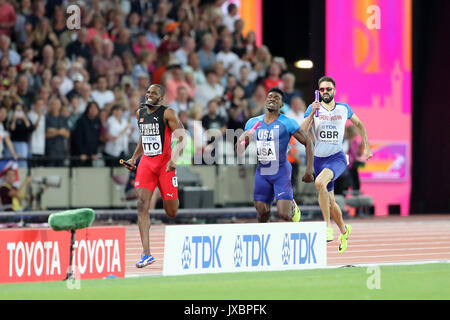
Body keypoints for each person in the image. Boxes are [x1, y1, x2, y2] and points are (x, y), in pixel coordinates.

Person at [301, 76, 373, 253]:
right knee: (331, 202)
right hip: (319, 159)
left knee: (319, 183)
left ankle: (327, 227)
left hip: (337, 158)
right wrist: (311, 113)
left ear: (334, 91)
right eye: (322, 89)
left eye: (329, 89)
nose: (326, 92)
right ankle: (344, 230)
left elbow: (360, 124)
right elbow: (301, 131)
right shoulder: (314, 108)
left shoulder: (343, 108)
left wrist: (367, 147)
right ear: (319, 92)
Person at [124, 84, 186, 268]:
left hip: (165, 165)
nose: (149, 95)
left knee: (171, 212)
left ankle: (172, 197)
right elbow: (144, 137)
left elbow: (182, 137)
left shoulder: (168, 113)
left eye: (154, 93)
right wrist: (134, 158)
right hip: (147, 164)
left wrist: (174, 159)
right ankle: (146, 253)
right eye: (148, 92)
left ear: (162, 98)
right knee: (142, 204)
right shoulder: (140, 114)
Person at [236, 87, 314, 223]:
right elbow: (239, 150)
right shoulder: (253, 123)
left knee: (284, 215)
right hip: (263, 172)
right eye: (270, 97)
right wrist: (243, 138)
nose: (272, 99)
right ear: (266, 101)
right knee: (262, 214)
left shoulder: (287, 123)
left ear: (282, 105)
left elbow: (308, 142)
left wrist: (309, 170)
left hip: (281, 171)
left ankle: (292, 207)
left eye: (276, 98)